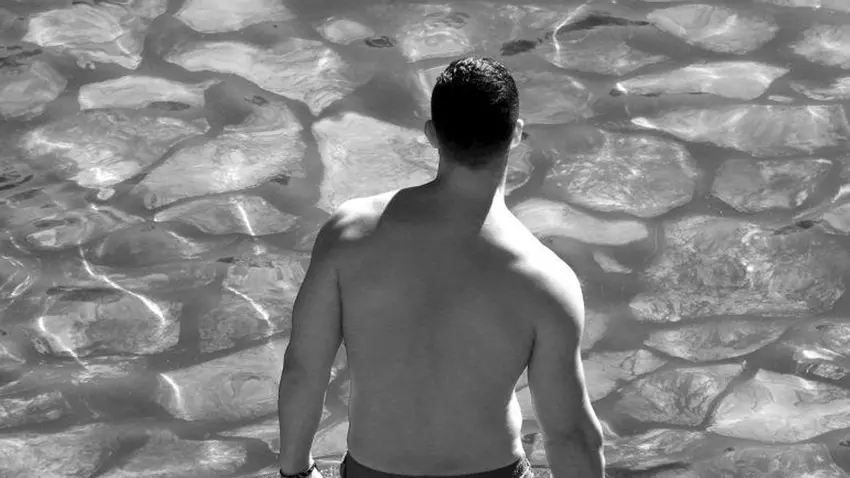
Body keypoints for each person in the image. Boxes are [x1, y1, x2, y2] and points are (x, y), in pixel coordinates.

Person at [277, 56, 605, 478]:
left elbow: (304, 369)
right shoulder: (545, 279)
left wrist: (296, 472)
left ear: (432, 133)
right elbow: (570, 434)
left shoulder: (350, 234)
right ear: (515, 134)